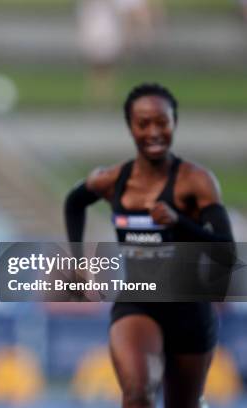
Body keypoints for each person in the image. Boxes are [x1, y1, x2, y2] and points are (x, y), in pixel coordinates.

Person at [64, 83, 234, 407]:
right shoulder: (112, 179)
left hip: (190, 310)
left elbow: (226, 249)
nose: (154, 132)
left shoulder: (196, 181)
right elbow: (74, 202)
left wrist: (180, 223)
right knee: (137, 393)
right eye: (144, 124)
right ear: (131, 126)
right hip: (138, 303)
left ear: (174, 124)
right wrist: (78, 261)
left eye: (162, 122)